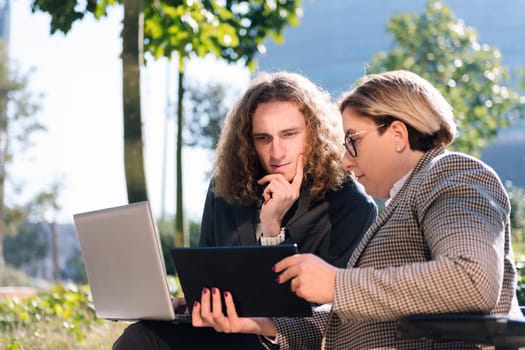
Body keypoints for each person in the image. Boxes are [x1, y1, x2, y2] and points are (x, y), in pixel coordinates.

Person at [191, 70, 523, 349]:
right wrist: (259, 324)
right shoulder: (404, 199)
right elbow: (346, 320)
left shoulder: (453, 173)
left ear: (396, 134)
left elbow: (471, 279)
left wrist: (336, 283)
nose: (346, 160)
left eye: (352, 140)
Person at [113, 71, 377, 349]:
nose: (276, 153)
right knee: (139, 337)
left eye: (288, 135)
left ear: (314, 134)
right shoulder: (225, 190)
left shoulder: (350, 205)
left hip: (285, 340)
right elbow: (205, 271)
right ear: (248, 142)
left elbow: (329, 315)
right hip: (223, 332)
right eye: (263, 138)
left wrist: (273, 228)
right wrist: (194, 304)